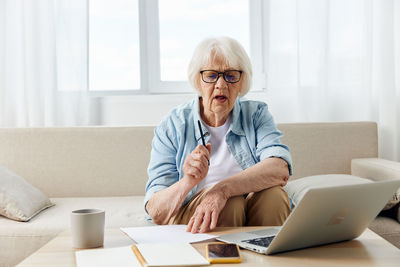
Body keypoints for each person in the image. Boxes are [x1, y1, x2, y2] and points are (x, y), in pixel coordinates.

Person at [144, 36, 292, 234]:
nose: (221, 85)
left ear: (242, 82)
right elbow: (156, 211)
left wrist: (222, 189)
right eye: (212, 75)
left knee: (273, 196)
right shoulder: (172, 125)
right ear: (198, 80)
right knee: (232, 204)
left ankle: (271, 261)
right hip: (197, 211)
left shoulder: (256, 114)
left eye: (231, 76)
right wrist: (188, 180)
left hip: (246, 202)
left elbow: (279, 168)